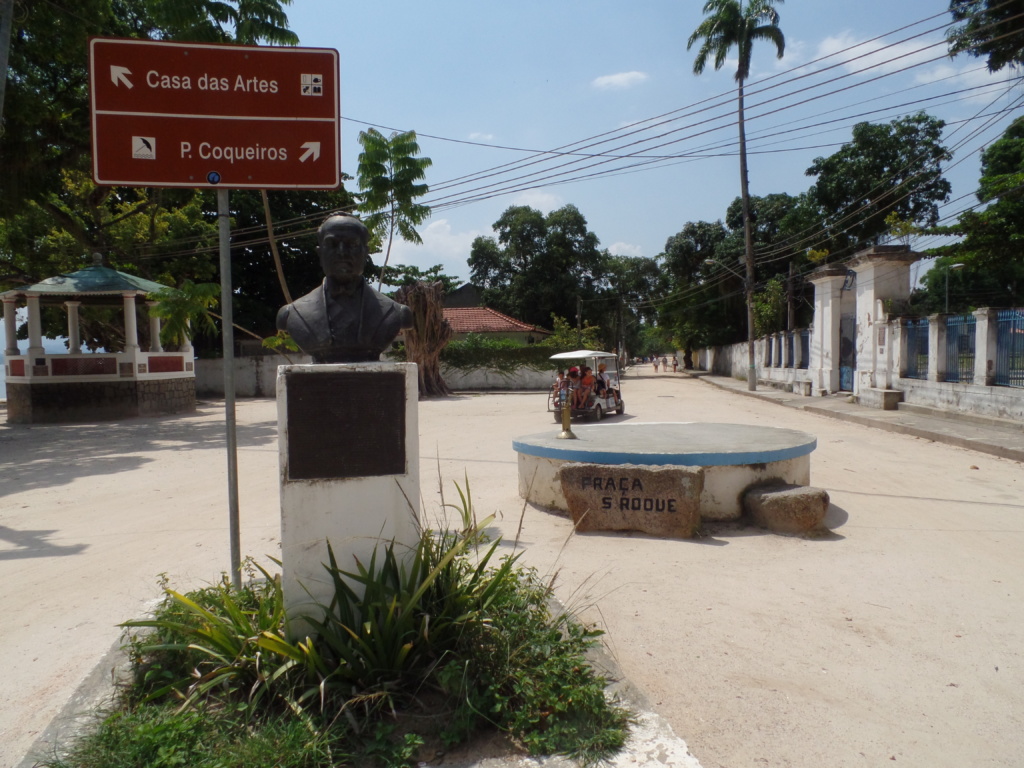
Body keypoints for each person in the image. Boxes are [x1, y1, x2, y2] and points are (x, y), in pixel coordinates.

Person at [276, 214, 414, 363]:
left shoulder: (395, 313)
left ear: (365, 253)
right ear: (320, 253)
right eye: (332, 244)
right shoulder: (292, 314)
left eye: (352, 244)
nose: (342, 252)